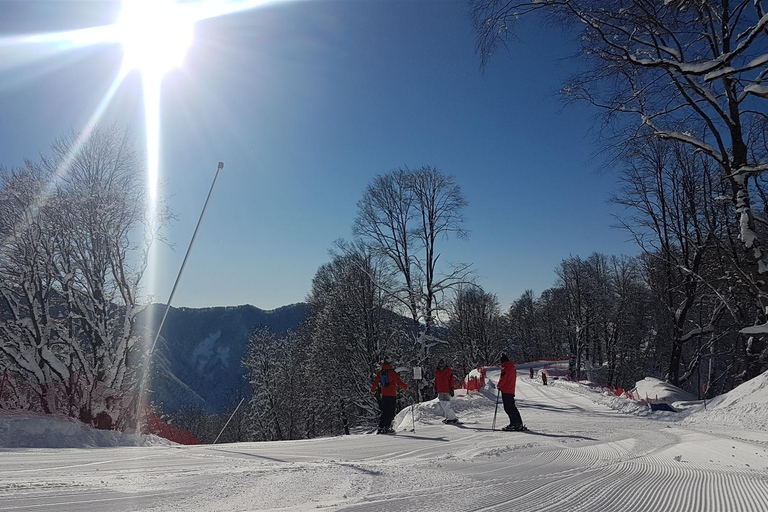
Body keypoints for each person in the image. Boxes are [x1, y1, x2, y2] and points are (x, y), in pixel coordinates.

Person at [371, 358, 409, 434]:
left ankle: (381, 427)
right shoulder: (392, 372)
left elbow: (376, 382)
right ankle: (387, 427)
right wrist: (407, 388)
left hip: (384, 394)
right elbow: (399, 382)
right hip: (392, 394)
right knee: (390, 411)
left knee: (385, 411)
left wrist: (372, 390)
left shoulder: (380, 372)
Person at [497, 354, 526, 431]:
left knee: (508, 408)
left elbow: (503, 379)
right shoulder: (512, 367)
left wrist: (499, 386)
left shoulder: (505, 369)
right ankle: (518, 423)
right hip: (510, 390)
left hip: (506, 390)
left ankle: (515, 423)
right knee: (512, 407)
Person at [434, 359, 458, 424]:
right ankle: (450, 417)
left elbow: (451, 380)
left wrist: (452, 388)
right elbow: (436, 380)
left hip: (446, 390)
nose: (441, 365)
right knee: (443, 404)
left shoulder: (448, 371)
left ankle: (451, 418)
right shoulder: (437, 371)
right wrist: (435, 387)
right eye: (440, 364)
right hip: (440, 390)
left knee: (446, 404)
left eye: (442, 363)